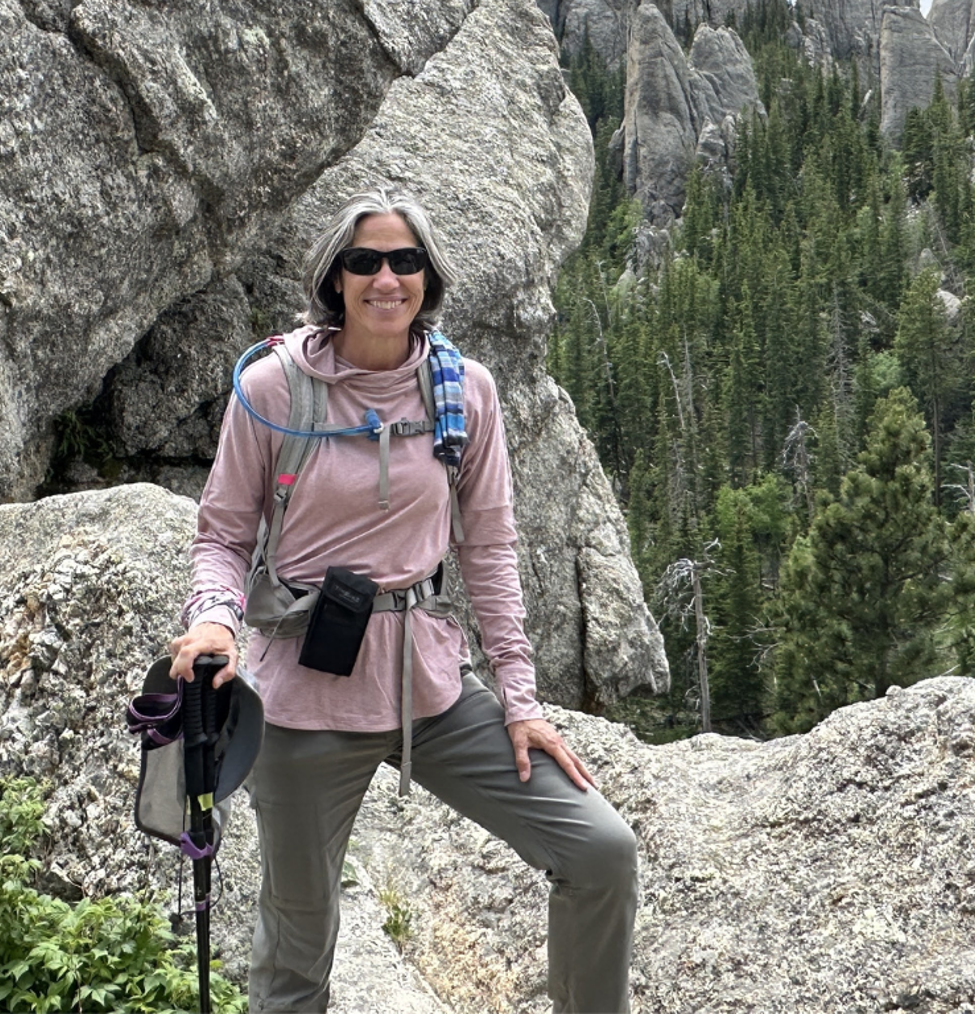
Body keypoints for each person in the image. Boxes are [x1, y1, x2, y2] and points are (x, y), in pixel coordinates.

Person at [169, 186, 637, 1014]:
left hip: (433, 687)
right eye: (366, 261)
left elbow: (489, 547)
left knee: (600, 851)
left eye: (405, 260)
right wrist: (214, 615)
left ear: (429, 276)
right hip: (306, 700)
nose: (387, 278)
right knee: (294, 955)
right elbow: (224, 534)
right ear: (336, 279)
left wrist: (521, 700)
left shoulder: (465, 392)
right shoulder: (277, 389)